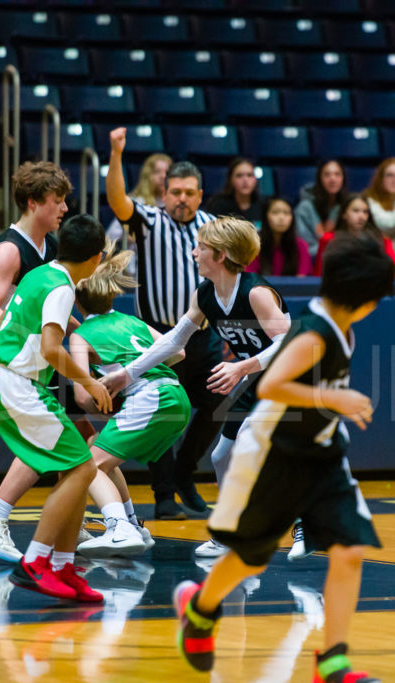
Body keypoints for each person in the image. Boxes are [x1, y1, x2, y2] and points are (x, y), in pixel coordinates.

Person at [171, 233, 393, 683]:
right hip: (278, 454)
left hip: (324, 454)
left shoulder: (339, 325)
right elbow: (271, 386)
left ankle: (332, 659)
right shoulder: (312, 334)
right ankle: (200, 607)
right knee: (250, 556)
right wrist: (335, 399)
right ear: (366, 300)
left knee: (350, 548)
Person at [101, 217, 291, 559]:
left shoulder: (257, 293)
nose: (193, 252)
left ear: (219, 255)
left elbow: (290, 342)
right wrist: (127, 375)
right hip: (258, 377)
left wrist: (242, 366)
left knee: (253, 445)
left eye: (200, 247)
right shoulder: (205, 293)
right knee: (220, 455)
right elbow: (175, 339)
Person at [0, 161, 96, 564]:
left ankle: (69, 514)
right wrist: (26, 329)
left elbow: (55, 311)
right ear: (34, 202)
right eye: (57, 201)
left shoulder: (54, 248)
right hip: (11, 360)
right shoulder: (8, 249)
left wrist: (93, 334)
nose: (63, 209)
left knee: (77, 434)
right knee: (55, 439)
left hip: (39, 358)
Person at [0, 214, 110, 602]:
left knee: (77, 469)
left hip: (6, 376)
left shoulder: (41, 272)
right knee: (83, 467)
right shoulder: (61, 288)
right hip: (14, 381)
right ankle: (36, 564)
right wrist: (89, 381)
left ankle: (63, 566)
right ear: (96, 258)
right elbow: (53, 350)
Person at [107, 126, 225, 519]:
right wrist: (117, 154)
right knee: (161, 410)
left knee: (218, 402)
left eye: (190, 192)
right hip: (156, 333)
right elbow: (117, 200)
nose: (183, 199)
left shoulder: (213, 226)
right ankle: (163, 496)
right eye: (176, 192)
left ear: (200, 196)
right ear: (164, 193)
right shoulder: (148, 220)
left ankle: (185, 472)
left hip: (203, 335)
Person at [69, 250, 190, 557]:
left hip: (149, 398)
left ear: (77, 302)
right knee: (102, 457)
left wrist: (103, 406)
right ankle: (134, 526)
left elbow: (82, 396)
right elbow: (178, 354)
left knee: (87, 466)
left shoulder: (81, 335)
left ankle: (118, 528)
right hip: (177, 396)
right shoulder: (132, 321)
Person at [314, 196, 395, 277]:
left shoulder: (382, 241)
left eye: (365, 212)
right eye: (355, 211)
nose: (361, 217)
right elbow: (320, 276)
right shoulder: (328, 240)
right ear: (343, 214)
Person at [106, 152, 172, 248]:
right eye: (157, 172)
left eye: (167, 172)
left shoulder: (176, 204)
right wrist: (128, 237)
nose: (163, 176)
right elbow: (110, 237)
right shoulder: (135, 203)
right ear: (147, 176)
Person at [294, 159, 350, 261]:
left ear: (343, 178)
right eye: (327, 175)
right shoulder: (305, 208)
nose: (333, 179)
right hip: (310, 264)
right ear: (319, 179)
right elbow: (304, 247)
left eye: (337, 174)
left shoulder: (349, 207)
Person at [246, 197, 313, 277]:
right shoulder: (253, 245)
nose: (281, 218)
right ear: (265, 216)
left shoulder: (301, 246)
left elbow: (302, 282)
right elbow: (250, 279)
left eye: (286, 213)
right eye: (275, 212)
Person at [205, 157, 266, 225]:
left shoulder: (264, 205)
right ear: (231, 180)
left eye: (249, 175)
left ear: (255, 180)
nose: (245, 180)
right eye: (239, 175)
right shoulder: (218, 205)